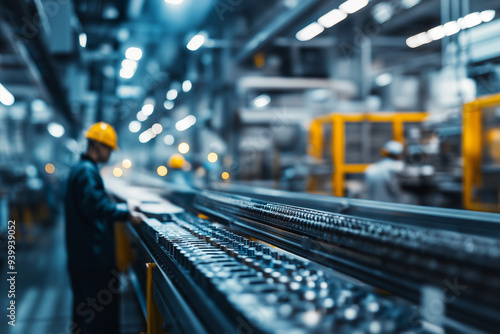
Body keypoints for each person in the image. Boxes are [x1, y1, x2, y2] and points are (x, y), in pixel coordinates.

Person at [64, 122, 142, 334]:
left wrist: (122, 208)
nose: (110, 154)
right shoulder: (87, 172)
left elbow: (94, 203)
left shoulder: (81, 170)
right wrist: (127, 214)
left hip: (82, 258)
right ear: (97, 145)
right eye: (108, 148)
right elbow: (96, 206)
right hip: (94, 259)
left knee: (85, 314)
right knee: (101, 321)